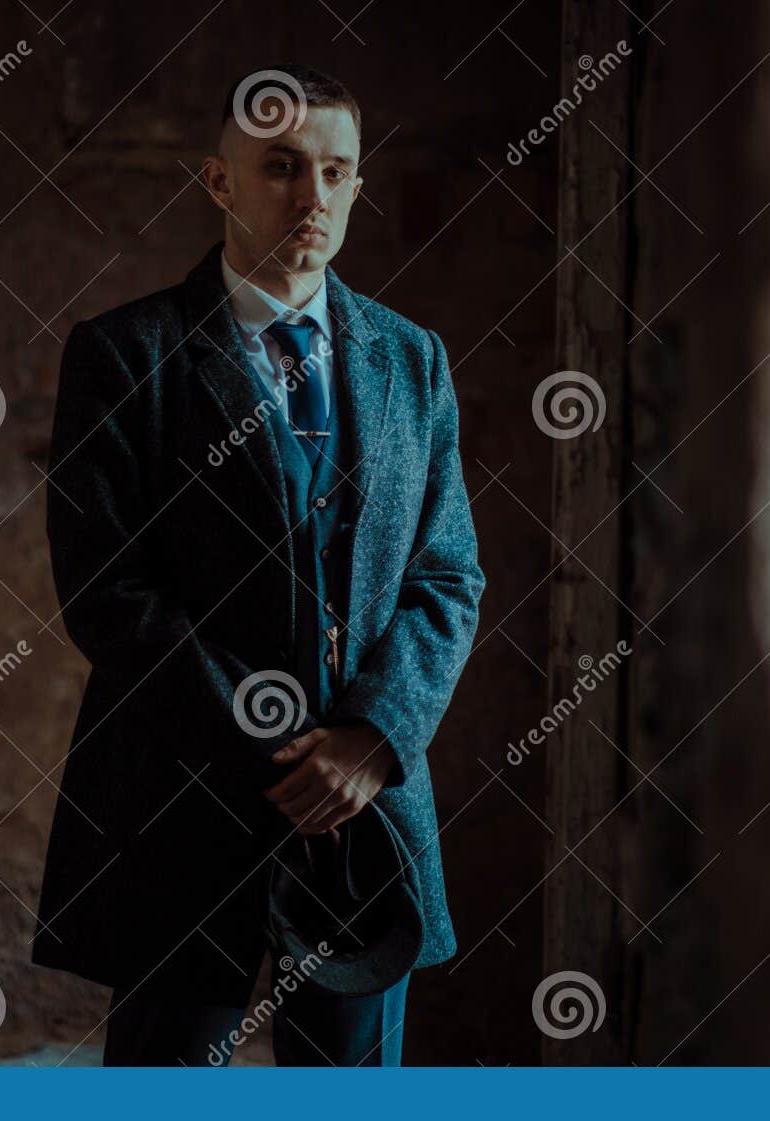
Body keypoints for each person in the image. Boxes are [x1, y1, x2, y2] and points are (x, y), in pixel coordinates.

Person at [31, 62, 486, 1066]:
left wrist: (372, 739)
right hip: (183, 799)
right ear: (219, 181)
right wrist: (281, 745)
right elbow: (110, 592)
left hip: (366, 816)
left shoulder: (412, 359)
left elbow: (447, 574)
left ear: (357, 185)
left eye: (334, 171)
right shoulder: (125, 355)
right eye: (280, 167)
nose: (310, 196)